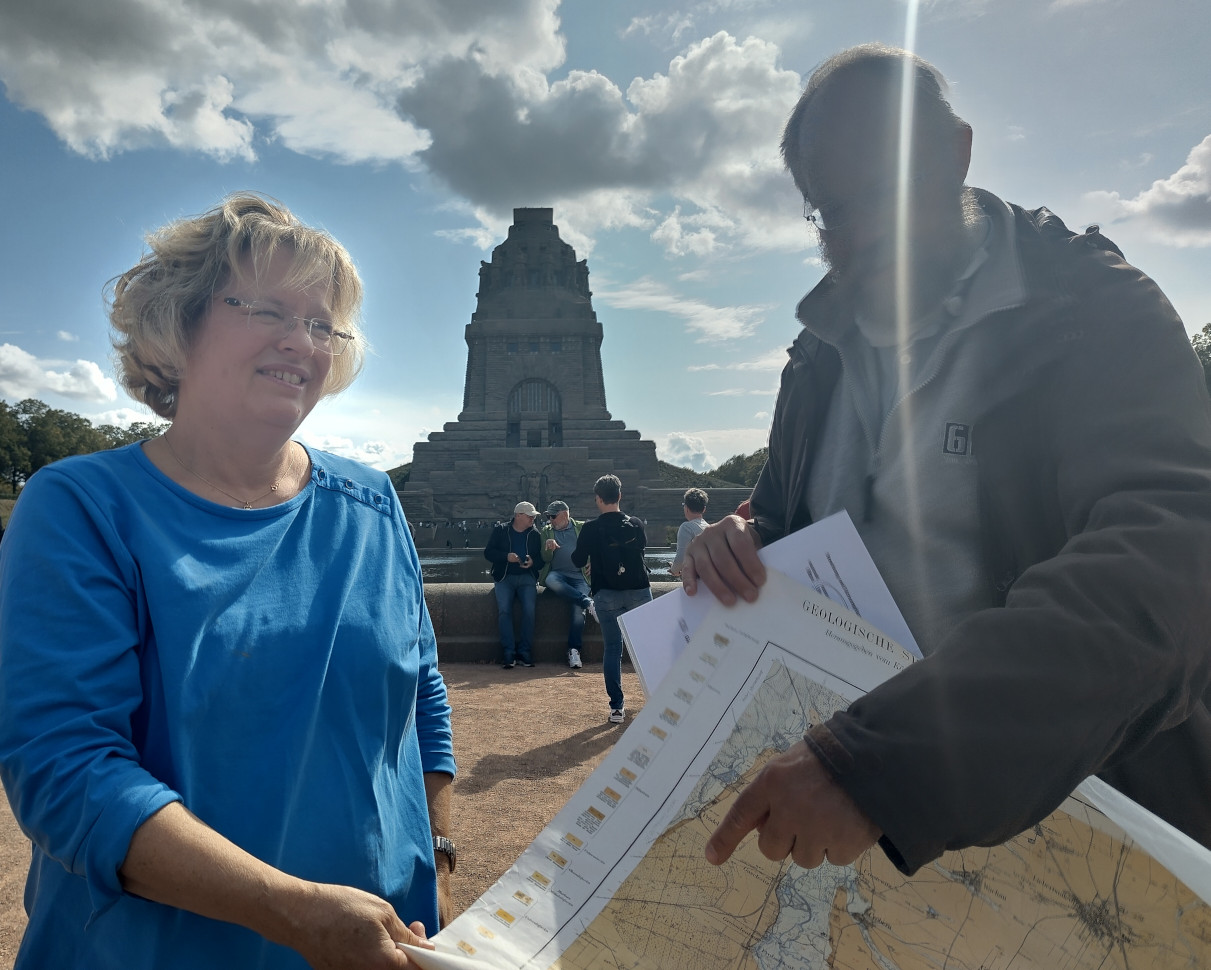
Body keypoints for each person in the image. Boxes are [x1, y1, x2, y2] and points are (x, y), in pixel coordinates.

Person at [688, 44, 1211, 877]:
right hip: (861, 824)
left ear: (957, 153)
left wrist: (885, 763)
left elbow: (1169, 562)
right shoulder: (814, 356)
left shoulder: (1096, 310)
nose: (866, 235)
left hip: (1071, 826)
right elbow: (784, 533)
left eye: (887, 193)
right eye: (834, 212)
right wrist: (735, 543)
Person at [0, 193, 457, 969]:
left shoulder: (373, 501)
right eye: (268, 310)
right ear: (177, 323)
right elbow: (66, 769)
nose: (301, 340)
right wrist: (291, 912)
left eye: (322, 324)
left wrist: (437, 853)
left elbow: (422, 693)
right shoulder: (81, 506)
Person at [571, 475, 652, 723]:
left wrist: (593, 560)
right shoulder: (636, 524)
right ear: (619, 496)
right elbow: (640, 550)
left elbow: (577, 560)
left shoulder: (590, 529)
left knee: (613, 649)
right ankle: (660, 698)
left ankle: (617, 708)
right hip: (639, 590)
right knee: (648, 647)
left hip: (606, 593)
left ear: (598, 498)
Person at [483, 501, 543, 668]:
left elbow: (541, 559)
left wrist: (533, 563)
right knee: (504, 610)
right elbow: (488, 553)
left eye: (533, 516)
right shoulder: (501, 530)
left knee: (529, 611)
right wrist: (506, 557)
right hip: (504, 577)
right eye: (529, 516)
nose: (532, 518)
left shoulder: (535, 534)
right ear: (518, 515)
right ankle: (508, 652)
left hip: (527, 578)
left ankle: (525, 651)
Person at [538, 500, 594, 669]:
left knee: (577, 611)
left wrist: (595, 561)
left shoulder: (583, 528)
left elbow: (597, 548)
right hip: (559, 574)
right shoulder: (546, 531)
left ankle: (574, 650)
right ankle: (587, 601)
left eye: (553, 516)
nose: (550, 520)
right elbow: (545, 559)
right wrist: (548, 547)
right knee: (550, 580)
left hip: (580, 576)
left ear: (564, 514)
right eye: (548, 516)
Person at [669, 487, 709, 577]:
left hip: (697, 580)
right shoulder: (710, 528)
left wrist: (674, 570)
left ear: (686, 508)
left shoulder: (686, 527)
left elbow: (681, 558)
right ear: (704, 509)